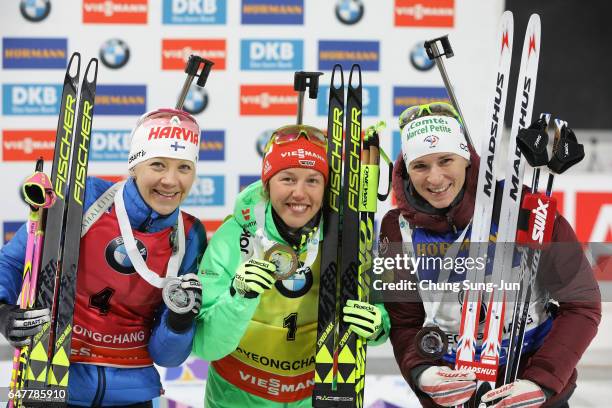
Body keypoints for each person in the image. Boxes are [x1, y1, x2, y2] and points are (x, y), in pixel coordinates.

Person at [378, 103, 601, 407]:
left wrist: (542, 381)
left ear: (466, 160)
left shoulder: (524, 208)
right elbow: (405, 322)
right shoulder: (397, 228)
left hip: (529, 391)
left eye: (446, 160)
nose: (435, 178)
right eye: (421, 165)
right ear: (406, 168)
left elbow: (582, 304)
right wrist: (422, 371)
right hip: (453, 395)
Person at [0, 108, 207, 407]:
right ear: (135, 165)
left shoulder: (189, 234)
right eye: (158, 165)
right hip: (53, 378)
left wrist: (179, 322)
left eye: (184, 168)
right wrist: (4, 312)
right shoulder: (85, 199)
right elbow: (11, 261)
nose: (171, 181)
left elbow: (168, 357)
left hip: (133, 392)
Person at [192, 124, 390, 407]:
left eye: (312, 180)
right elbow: (205, 346)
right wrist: (239, 297)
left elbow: (384, 315)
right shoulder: (232, 236)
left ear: (326, 187)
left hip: (315, 394)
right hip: (238, 396)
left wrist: (377, 326)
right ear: (267, 183)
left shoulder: (352, 236)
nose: (299, 193)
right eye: (287, 178)